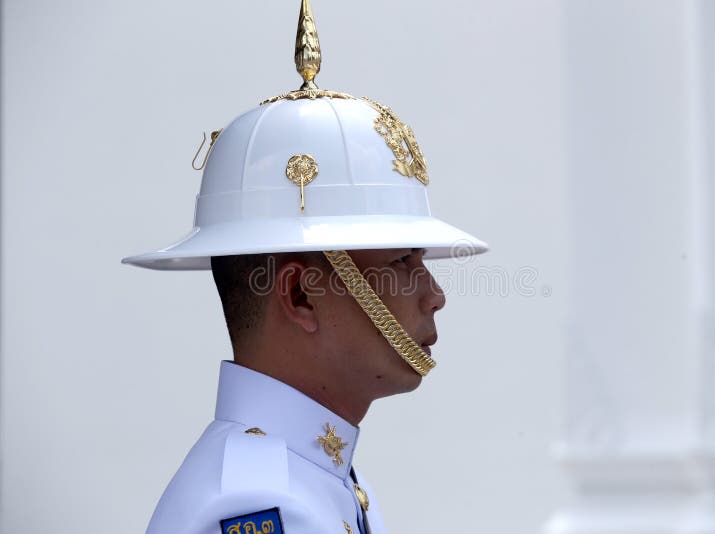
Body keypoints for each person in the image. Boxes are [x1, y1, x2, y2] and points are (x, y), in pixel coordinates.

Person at [122, 1, 487, 532]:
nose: (434, 294)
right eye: (403, 260)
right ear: (299, 296)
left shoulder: (314, 476)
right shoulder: (262, 503)